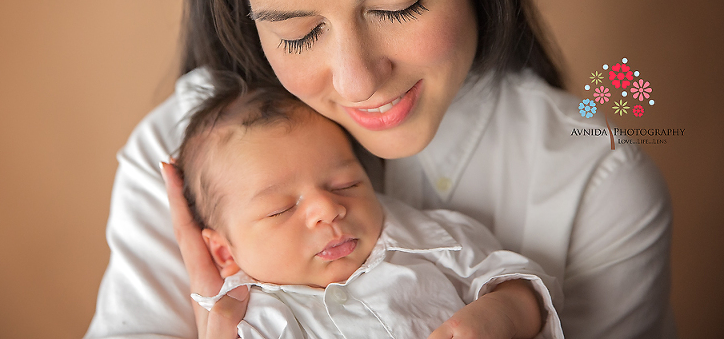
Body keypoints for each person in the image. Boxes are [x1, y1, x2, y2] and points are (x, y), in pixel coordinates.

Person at [85, 0, 673, 338]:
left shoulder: (595, 183)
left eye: (398, 7)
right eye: (296, 34)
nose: (357, 78)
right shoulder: (182, 163)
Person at [173, 77, 564, 339]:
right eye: (280, 209)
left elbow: (524, 284)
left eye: (346, 184)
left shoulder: (433, 241)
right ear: (224, 252)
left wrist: (504, 313)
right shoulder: (251, 323)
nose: (327, 207)